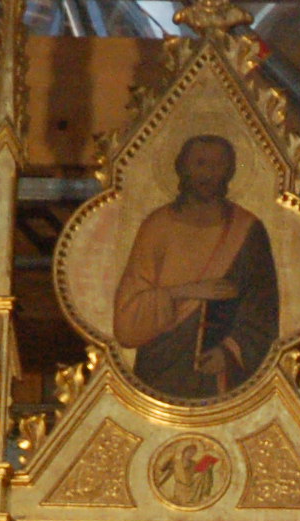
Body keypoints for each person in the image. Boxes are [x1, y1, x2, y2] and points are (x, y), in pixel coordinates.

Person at [112, 134, 282, 401]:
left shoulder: (246, 229)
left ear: (229, 171)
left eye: (217, 165)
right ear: (183, 168)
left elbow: (262, 307)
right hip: (161, 366)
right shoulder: (157, 226)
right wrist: (188, 291)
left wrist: (229, 351)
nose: (208, 174)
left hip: (220, 373)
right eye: (200, 164)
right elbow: (127, 319)